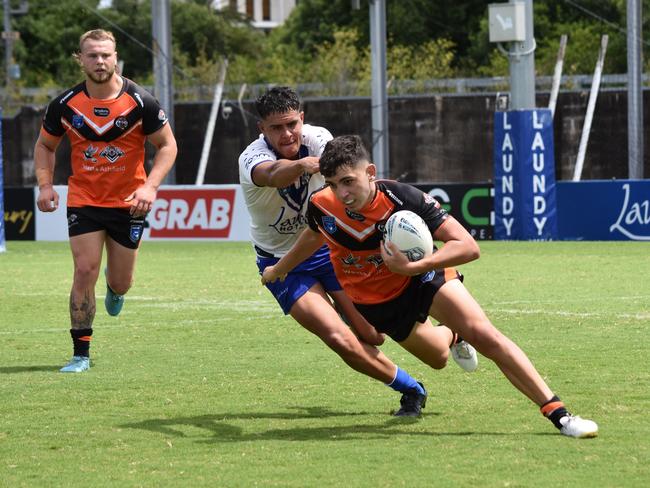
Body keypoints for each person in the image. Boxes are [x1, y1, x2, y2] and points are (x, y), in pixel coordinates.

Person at [262, 135, 599, 438]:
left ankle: (559, 414)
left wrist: (416, 265)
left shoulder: (403, 198)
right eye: (334, 184)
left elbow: (467, 245)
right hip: (377, 303)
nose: (343, 193)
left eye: (349, 181)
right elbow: (313, 235)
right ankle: (453, 334)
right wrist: (280, 268)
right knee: (438, 359)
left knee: (486, 335)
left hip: (423, 277)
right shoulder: (322, 205)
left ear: (370, 172)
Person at [239, 87, 477, 416]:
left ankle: (453, 331)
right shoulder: (252, 157)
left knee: (373, 334)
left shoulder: (319, 138)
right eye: (276, 128)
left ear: (302, 118)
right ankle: (410, 389)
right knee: (338, 337)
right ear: (261, 129)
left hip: (330, 247)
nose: (287, 133)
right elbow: (271, 176)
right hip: (282, 261)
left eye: (292, 124)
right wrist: (304, 166)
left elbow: (353, 179)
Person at [34, 29, 177, 373]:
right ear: (80, 59)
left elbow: (168, 146)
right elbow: (45, 146)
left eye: (106, 55)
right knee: (85, 270)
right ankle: (80, 354)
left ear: (116, 58)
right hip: (83, 200)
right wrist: (45, 185)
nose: (100, 61)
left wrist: (150, 187)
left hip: (130, 202)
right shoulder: (65, 105)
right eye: (93, 55)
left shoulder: (142, 102)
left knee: (120, 281)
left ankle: (116, 290)